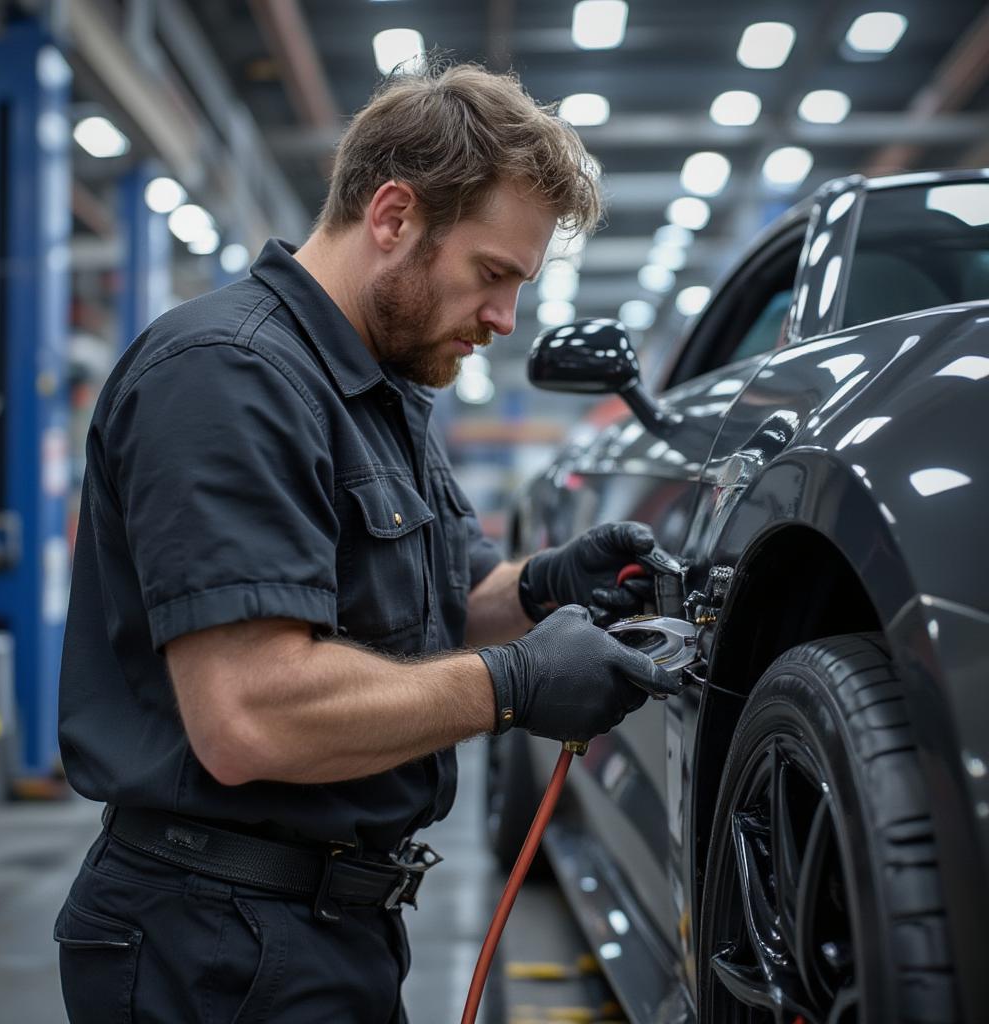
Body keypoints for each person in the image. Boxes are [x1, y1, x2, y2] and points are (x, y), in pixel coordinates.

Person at [54, 61, 679, 1023]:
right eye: (493, 274)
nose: (505, 320)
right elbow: (250, 714)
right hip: (215, 947)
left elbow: (447, 597)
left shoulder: (378, 394)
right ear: (393, 217)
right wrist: (510, 687)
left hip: (321, 927)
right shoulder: (230, 379)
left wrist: (548, 584)